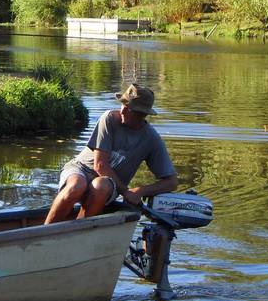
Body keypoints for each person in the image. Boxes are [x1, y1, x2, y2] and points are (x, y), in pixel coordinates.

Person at [45, 83, 178, 224]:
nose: (122, 111)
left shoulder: (151, 139)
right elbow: (100, 166)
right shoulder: (108, 119)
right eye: (123, 105)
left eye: (128, 109)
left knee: (101, 186)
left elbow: (171, 182)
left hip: (108, 185)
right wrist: (126, 192)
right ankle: (44, 232)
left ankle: (77, 232)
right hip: (80, 169)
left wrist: (140, 191)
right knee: (76, 186)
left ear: (142, 114)